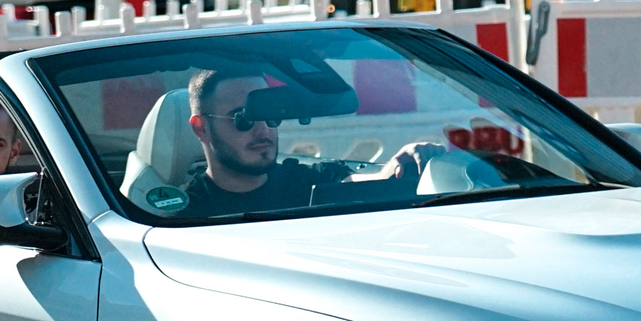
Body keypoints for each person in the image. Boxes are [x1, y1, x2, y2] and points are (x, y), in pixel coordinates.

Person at [175, 68, 446, 217]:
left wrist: (402, 163)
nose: (262, 129)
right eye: (243, 118)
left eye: (269, 113)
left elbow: (361, 184)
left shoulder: (310, 182)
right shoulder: (185, 215)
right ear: (201, 128)